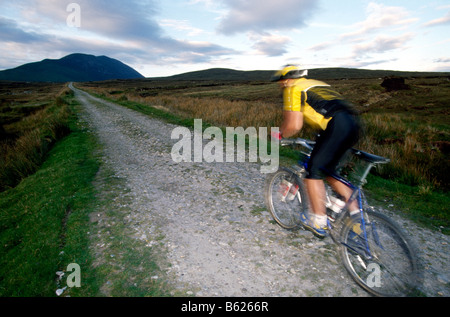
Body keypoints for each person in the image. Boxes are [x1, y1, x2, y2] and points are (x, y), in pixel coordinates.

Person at [271, 65, 361, 238]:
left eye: (281, 81)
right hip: (351, 124)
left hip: (335, 126)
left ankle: (318, 221)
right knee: (328, 170)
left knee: (313, 172)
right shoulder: (316, 84)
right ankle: (357, 220)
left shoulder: (293, 88)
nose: (280, 85)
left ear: (288, 79)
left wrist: (280, 134)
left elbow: (294, 125)